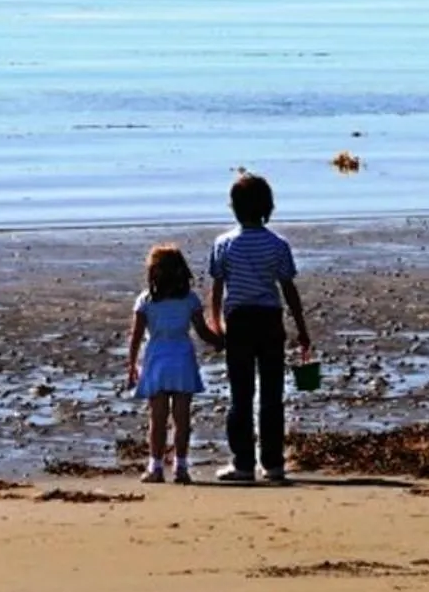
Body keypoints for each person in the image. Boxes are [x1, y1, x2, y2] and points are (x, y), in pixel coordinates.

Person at [207, 172, 313, 483]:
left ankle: (243, 463)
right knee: (271, 394)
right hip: (269, 320)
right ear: (267, 207)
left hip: (239, 320)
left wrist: (216, 323)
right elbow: (288, 288)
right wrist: (301, 327)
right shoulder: (277, 244)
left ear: (234, 207)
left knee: (240, 394)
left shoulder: (224, 243)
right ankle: (273, 463)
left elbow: (216, 287)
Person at [125, 244, 224, 484]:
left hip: (157, 360)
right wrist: (222, 341)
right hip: (182, 360)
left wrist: (132, 365)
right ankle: (181, 467)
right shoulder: (189, 299)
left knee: (157, 419)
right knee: (182, 419)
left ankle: (155, 467)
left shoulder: (146, 300)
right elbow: (202, 332)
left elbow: (136, 336)